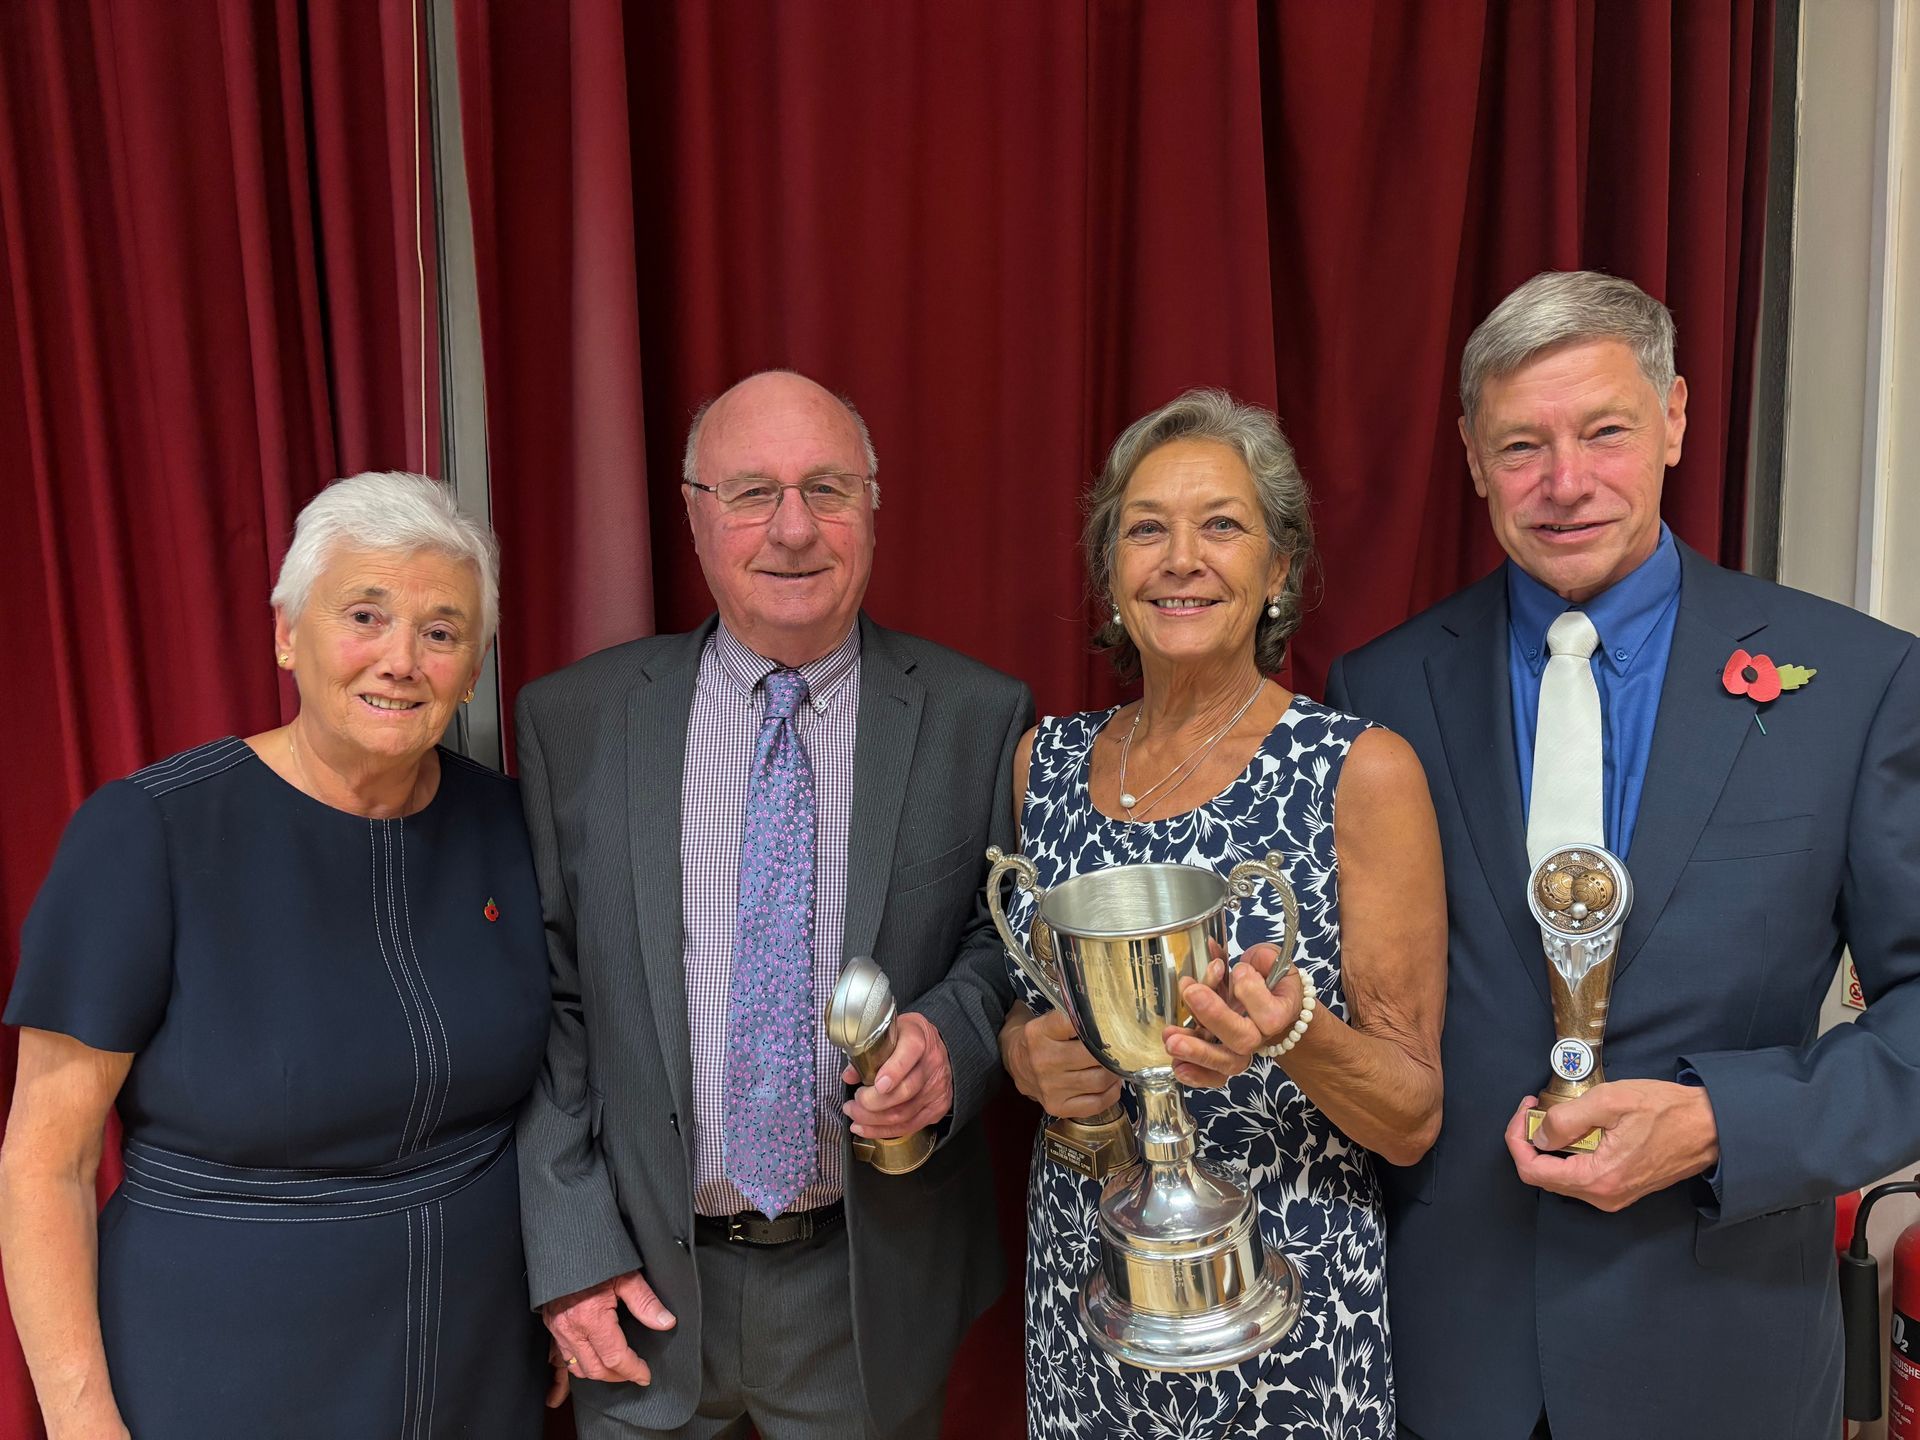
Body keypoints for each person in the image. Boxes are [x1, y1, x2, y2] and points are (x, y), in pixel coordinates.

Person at [1326, 270, 1920, 1440]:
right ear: (1471, 456)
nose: (1565, 483)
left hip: (1727, 1355)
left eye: (1604, 431)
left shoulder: (1857, 682)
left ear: (1676, 419)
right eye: (1521, 446)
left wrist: (1725, 1123)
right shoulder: (1380, 690)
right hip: (1450, 1357)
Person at [513, 369, 1033, 1440]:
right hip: (640, 1287)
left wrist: (951, 1041)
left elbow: (999, 942)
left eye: (827, 490)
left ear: (873, 509)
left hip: (870, 1288)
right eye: (752, 493)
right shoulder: (575, 721)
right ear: (694, 514)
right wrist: (570, 1252)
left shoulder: (978, 715)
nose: (793, 530)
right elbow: (549, 1001)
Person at [0, 472, 552, 1438]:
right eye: (365, 616)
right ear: (287, 634)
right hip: (225, 1372)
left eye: (441, 631)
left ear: (472, 671)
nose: (400, 660)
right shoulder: (149, 832)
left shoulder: (511, 823)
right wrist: (82, 1425)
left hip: (474, 1366)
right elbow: (47, 1160)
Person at [996, 388, 1447, 1438]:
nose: (1181, 559)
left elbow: (1412, 1117)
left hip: (1283, 1304)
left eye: (1222, 526)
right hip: (1086, 1289)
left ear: (1279, 568)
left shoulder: (1358, 771)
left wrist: (1289, 1034)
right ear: (1111, 571)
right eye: (1146, 529)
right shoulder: (1043, 764)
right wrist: (1025, 1055)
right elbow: (1025, 997)